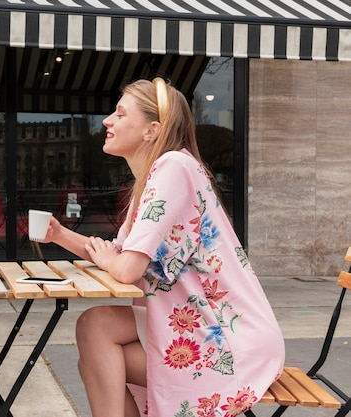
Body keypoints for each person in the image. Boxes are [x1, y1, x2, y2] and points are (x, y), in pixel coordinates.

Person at [43, 78, 284, 417]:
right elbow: (117, 254)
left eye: (120, 113)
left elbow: (126, 268)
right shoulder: (156, 178)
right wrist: (60, 234)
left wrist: (115, 259)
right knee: (96, 339)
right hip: (194, 322)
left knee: (97, 344)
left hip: (232, 342)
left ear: (151, 130)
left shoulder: (173, 167)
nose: (108, 121)